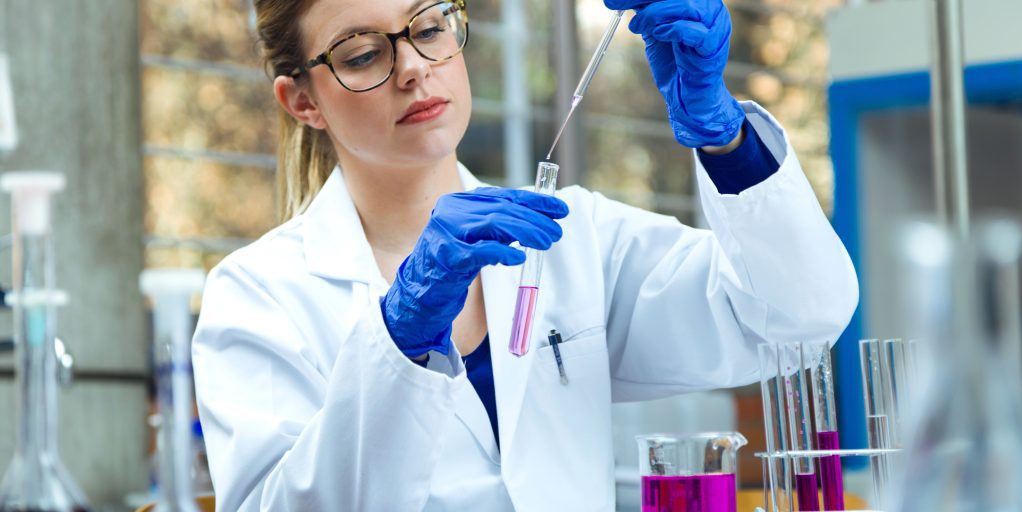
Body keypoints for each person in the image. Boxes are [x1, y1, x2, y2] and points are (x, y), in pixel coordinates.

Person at [191, 0, 859, 509]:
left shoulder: (572, 237)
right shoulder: (259, 296)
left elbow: (794, 318)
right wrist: (398, 339)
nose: (416, 68)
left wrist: (725, 136)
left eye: (428, 29)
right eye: (362, 54)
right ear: (302, 101)